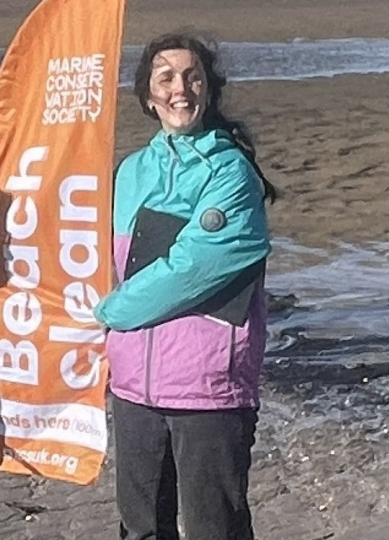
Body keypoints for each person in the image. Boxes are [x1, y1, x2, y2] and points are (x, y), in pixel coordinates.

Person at [93, 33, 276, 540]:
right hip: (133, 388)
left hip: (208, 388)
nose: (181, 89)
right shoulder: (128, 174)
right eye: (166, 78)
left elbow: (192, 267)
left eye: (193, 76)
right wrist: (3, 262)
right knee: (141, 528)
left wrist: (110, 314)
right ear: (149, 96)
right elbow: (80, 248)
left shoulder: (230, 173)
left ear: (209, 90)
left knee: (214, 529)